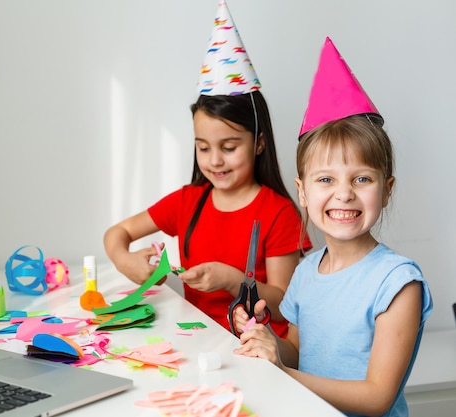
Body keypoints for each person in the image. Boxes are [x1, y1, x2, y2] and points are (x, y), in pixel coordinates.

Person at [232, 37, 433, 417]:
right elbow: (298, 353)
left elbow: (376, 398)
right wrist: (268, 341)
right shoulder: (306, 270)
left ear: (386, 190)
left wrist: (283, 370)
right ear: (303, 192)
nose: (344, 195)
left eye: (361, 179)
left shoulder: (397, 283)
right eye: (325, 180)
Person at [104, 0, 311, 336]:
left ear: (259, 143)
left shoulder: (279, 214)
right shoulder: (188, 202)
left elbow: (285, 302)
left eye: (229, 148)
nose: (215, 160)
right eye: (203, 147)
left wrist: (232, 281)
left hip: (258, 349)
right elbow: (117, 234)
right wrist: (123, 259)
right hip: (199, 342)